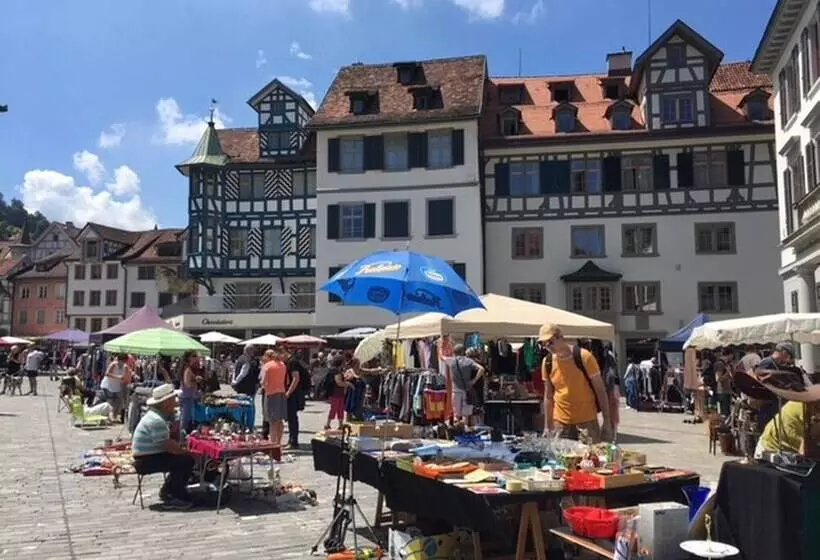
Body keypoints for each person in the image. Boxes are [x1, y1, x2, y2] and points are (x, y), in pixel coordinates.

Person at [540, 324, 612, 443]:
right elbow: (548, 396)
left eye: (550, 342)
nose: (547, 346)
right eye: (543, 344)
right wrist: (547, 426)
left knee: (589, 459)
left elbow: (600, 390)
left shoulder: (584, 357)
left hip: (587, 421)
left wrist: (607, 421)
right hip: (560, 423)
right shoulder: (547, 362)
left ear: (560, 337)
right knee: (561, 460)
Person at [132, 383, 195, 509]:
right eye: (173, 400)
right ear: (166, 403)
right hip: (146, 460)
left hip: (147, 456)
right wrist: (187, 451)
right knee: (186, 461)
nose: (175, 403)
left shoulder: (154, 416)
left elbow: (167, 443)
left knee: (183, 459)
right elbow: (169, 446)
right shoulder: (156, 420)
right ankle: (174, 494)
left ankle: (169, 490)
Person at [444, 345, 485, 424]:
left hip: (460, 391)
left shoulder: (456, 362)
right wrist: (474, 381)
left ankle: (461, 430)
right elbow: (482, 370)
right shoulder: (472, 363)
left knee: (459, 414)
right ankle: (473, 430)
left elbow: (443, 358)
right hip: (472, 392)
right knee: (471, 413)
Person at [260, 349, 288, 446]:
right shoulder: (282, 365)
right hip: (281, 392)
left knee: (272, 421)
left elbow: (263, 382)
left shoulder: (267, 366)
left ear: (267, 356)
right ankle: (278, 443)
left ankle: (272, 444)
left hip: (271, 393)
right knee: (280, 420)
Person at [284, 348, 307, 449]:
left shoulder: (292, 362)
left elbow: (296, 378)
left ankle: (293, 442)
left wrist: (288, 392)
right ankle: (292, 440)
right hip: (293, 392)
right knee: (290, 417)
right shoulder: (290, 361)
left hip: (294, 393)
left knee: (292, 418)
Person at [101, 354, 131, 422]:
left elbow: (128, 374)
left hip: (117, 386)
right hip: (108, 385)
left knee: (118, 402)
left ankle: (114, 416)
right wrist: (117, 377)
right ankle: (109, 417)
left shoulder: (125, 367)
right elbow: (107, 373)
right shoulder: (113, 365)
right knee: (110, 401)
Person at [178, 351, 201, 434]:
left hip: (187, 395)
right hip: (186, 396)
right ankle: (181, 438)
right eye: (194, 356)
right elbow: (187, 384)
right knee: (184, 419)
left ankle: (182, 435)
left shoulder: (187, 368)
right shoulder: (187, 369)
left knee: (185, 418)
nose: (196, 358)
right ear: (189, 358)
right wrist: (196, 381)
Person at [324, 355, 349, 429]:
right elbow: (339, 382)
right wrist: (348, 384)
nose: (345, 363)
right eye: (344, 362)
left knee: (340, 408)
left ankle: (340, 424)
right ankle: (327, 424)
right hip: (335, 393)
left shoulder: (336, 370)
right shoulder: (336, 371)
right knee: (335, 409)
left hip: (339, 393)